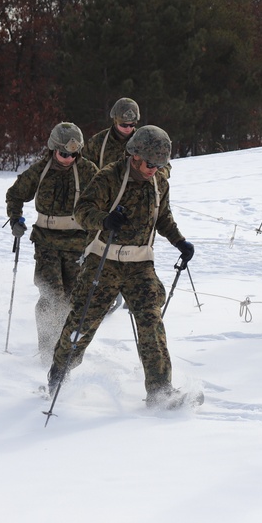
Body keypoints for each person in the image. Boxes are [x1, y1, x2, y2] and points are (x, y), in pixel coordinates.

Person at [46, 125, 195, 409]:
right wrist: (104, 220)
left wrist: (181, 243)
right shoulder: (109, 177)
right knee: (82, 323)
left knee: (151, 324)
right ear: (134, 155)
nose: (154, 169)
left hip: (140, 265)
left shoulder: (159, 182)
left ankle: (160, 392)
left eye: (160, 164)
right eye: (150, 163)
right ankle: (58, 377)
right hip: (104, 262)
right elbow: (82, 211)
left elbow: (163, 217)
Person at [5, 123, 99, 363]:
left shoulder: (89, 171)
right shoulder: (40, 170)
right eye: (64, 154)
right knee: (51, 295)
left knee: (72, 298)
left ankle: (66, 350)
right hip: (46, 243)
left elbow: (106, 199)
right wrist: (15, 217)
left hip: (78, 244)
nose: (68, 159)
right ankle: (48, 351)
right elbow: (15, 194)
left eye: (73, 154)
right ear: (53, 149)